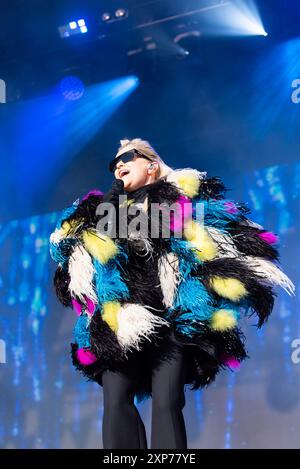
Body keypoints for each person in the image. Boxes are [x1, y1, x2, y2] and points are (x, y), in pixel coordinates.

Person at [49, 138, 295, 449]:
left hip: (171, 322)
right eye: (114, 163)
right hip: (118, 322)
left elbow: (212, 234)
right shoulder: (102, 213)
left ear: (151, 165)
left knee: (167, 402)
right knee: (115, 400)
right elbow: (71, 240)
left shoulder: (180, 204)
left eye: (126, 157)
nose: (118, 165)